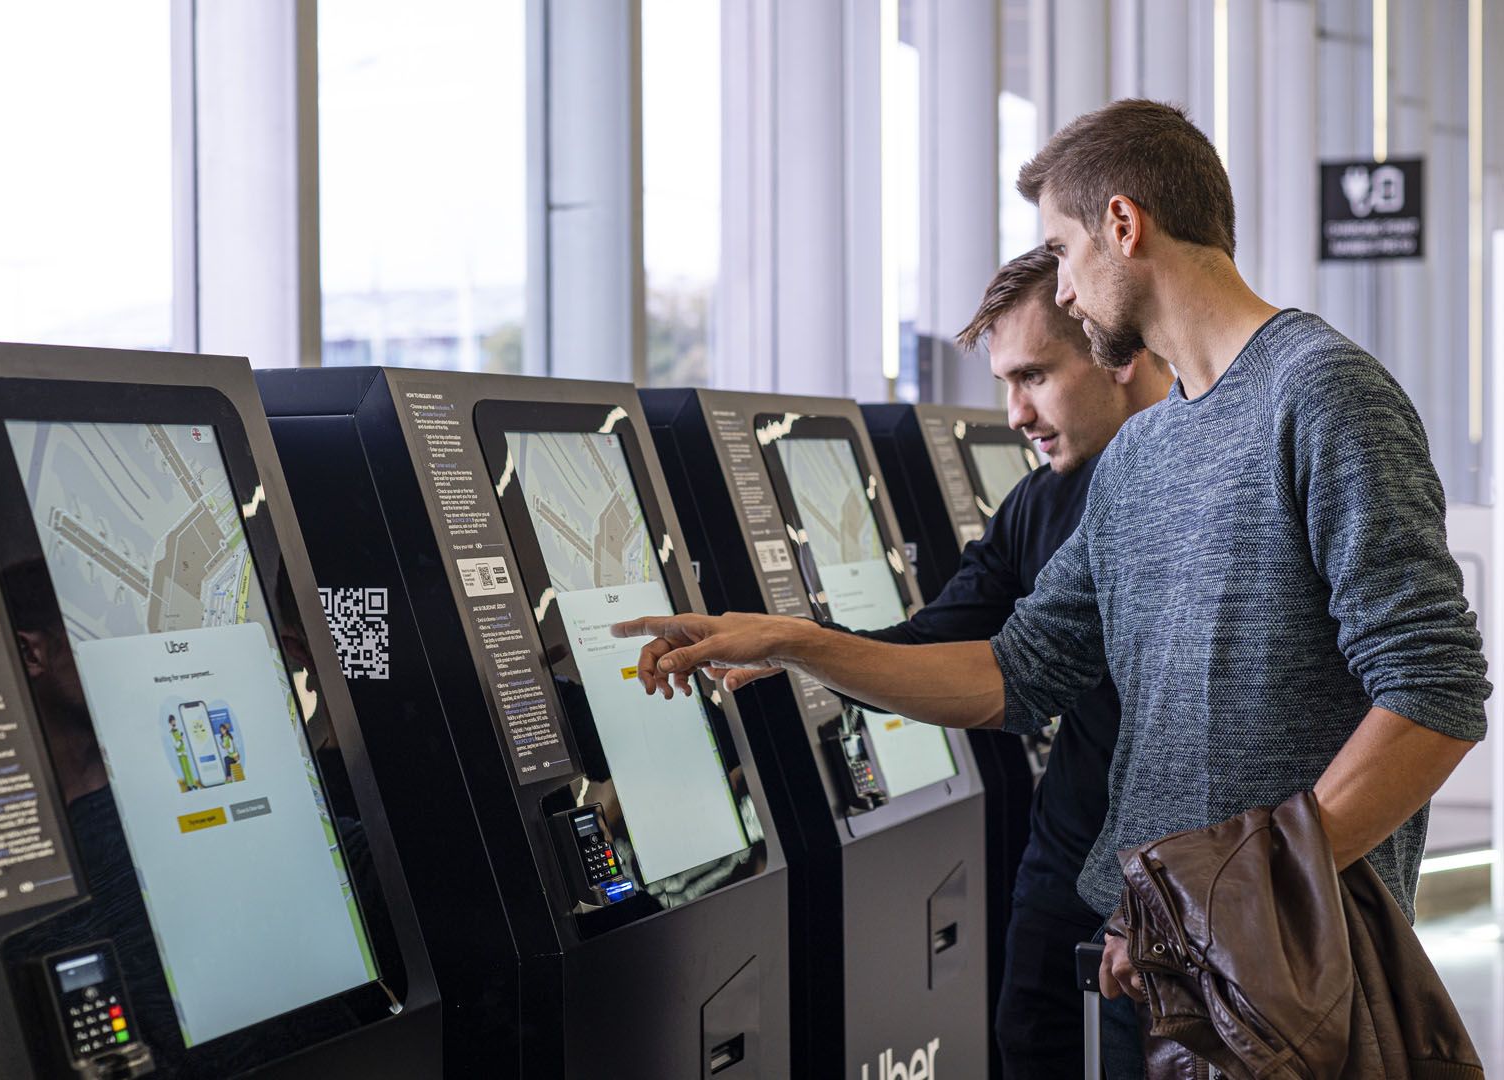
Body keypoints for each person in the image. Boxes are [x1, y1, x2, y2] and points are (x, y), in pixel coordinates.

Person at [614, 100, 1488, 1077]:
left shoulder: (1324, 394)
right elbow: (1014, 673)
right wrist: (793, 644)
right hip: (1148, 964)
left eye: (1061, 249)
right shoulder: (1139, 456)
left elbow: (1433, 694)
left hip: (1288, 984)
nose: (1064, 288)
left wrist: (1235, 899)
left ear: (1125, 224)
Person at [846, 246, 1172, 1078]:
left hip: (1184, 882)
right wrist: (786, 650)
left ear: (1119, 354)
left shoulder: (1208, 493)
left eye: (1032, 375)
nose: (1015, 413)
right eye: (1002, 383)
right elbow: (939, 646)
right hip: (1064, 869)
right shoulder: (1039, 499)